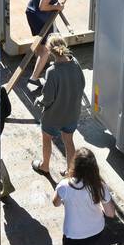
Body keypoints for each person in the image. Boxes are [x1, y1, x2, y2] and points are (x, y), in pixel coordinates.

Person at [33, 34, 81, 178]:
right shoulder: (75, 63)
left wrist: (39, 100)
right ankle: (70, 172)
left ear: (49, 50)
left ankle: (45, 166)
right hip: (72, 113)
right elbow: (82, 84)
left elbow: (48, 97)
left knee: (46, 138)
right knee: (68, 141)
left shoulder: (52, 71)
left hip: (54, 115)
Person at [26, 0, 64, 82]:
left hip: (31, 14)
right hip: (41, 18)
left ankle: (38, 60)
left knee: (40, 42)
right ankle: (34, 77)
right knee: (47, 49)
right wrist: (57, 7)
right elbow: (43, 6)